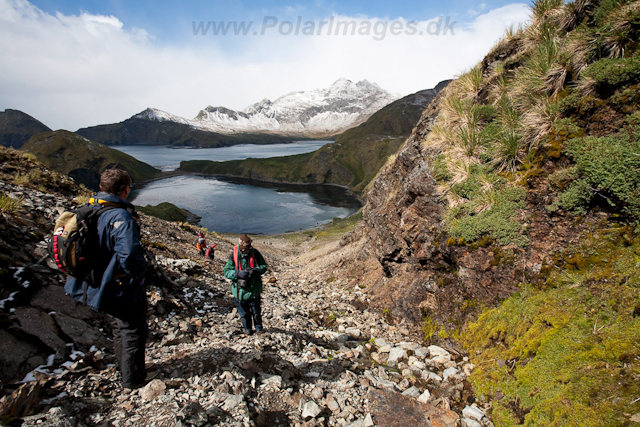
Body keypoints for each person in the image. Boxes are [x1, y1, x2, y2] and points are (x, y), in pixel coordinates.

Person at [64, 169, 153, 391]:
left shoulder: (90, 208)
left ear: (102, 188)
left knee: (119, 327)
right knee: (133, 330)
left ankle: (125, 372)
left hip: (97, 284)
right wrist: (141, 276)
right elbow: (130, 256)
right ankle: (133, 380)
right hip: (119, 285)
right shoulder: (120, 215)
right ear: (125, 190)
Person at [223, 234, 268, 335]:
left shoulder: (255, 253)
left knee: (256, 312)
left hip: (254, 290)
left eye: (247, 249)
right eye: (243, 249)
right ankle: (247, 329)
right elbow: (226, 272)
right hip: (239, 291)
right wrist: (237, 274)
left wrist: (256, 270)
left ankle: (259, 329)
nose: (245, 251)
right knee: (244, 313)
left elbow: (264, 266)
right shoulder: (233, 255)